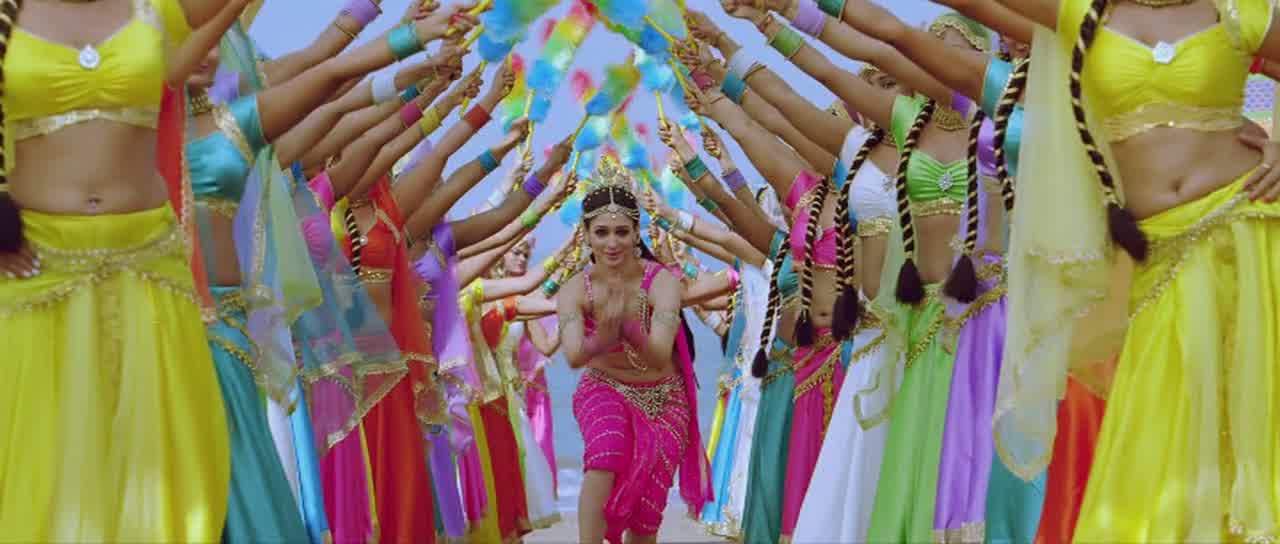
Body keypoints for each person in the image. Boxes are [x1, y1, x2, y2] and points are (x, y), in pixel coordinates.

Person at [991, 0, 1280, 539]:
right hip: (1161, 256)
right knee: (1161, 431)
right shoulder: (1082, 14)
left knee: (1257, 424)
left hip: (1247, 235)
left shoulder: (1235, 9)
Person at [0, 0, 236, 539]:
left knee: (160, 478)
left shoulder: (153, 7)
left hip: (147, 271)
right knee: (37, 475)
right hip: (31, 272)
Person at [557, 156, 712, 544]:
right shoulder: (575, 289)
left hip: (665, 397)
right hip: (604, 387)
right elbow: (573, 355)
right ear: (585, 234)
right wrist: (603, 337)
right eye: (601, 232)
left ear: (636, 232)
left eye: (622, 232)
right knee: (605, 452)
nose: (612, 243)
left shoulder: (661, 282)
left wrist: (627, 328)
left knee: (648, 510)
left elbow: (658, 354)